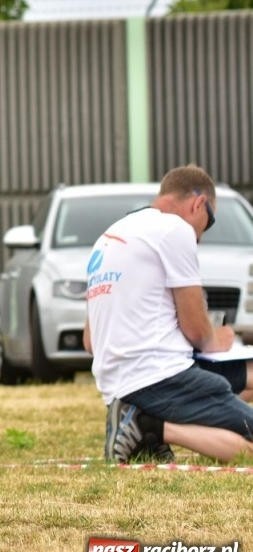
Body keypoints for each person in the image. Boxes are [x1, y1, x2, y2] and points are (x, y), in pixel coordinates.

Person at [85, 165, 253, 464]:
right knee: (247, 446)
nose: (201, 236)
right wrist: (220, 339)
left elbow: (90, 341)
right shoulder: (175, 230)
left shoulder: (109, 236)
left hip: (120, 383)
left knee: (248, 372)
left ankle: (140, 422)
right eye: (208, 223)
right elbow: (199, 333)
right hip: (160, 377)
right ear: (198, 203)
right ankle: (149, 426)